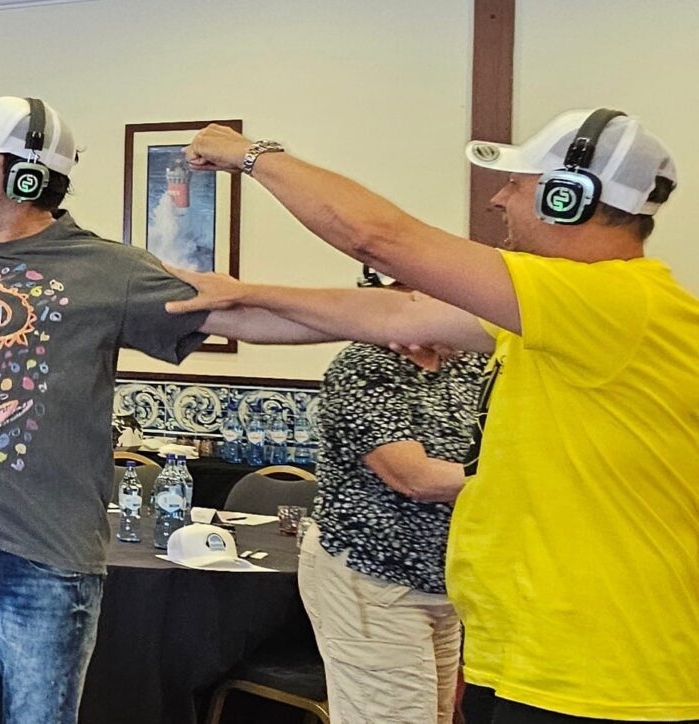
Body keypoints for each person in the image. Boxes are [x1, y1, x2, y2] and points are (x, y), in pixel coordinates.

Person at [0, 8, 334, 722]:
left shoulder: (107, 271)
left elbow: (241, 315)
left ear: (27, 179)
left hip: (44, 566)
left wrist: (384, 321)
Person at [166, 110, 699, 722]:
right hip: (543, 652)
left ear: (567, 197)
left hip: (603, 671)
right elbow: (396, 315)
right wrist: (238, 294)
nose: (499, 199)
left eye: (517, 184)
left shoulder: (608, 300)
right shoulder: (567, 314)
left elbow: (378, 237)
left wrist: (252, 154)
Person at [298, 266, 486, 723]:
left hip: (442, 584)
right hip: (373, 576)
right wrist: (509, 478)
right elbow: (413, 477)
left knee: (437, 717)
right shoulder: (363, 367)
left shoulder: (468, 362)